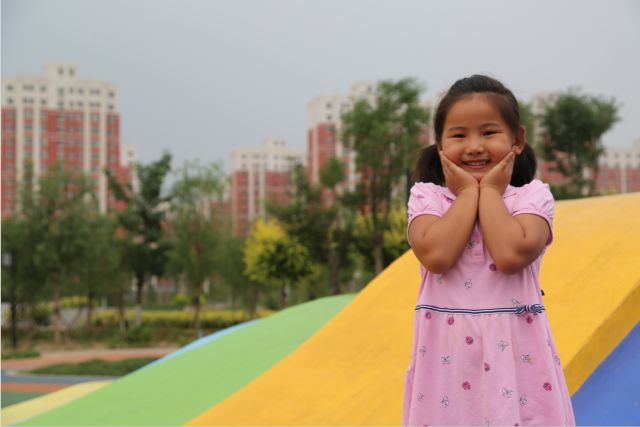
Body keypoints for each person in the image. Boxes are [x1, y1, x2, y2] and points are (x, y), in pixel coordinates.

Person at [403, 74, 575, 426]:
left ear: (518, 139)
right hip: (447, 364)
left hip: (517, 363)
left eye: (489, 132)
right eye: (459, 135)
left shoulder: (531, 197)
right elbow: (436, 256)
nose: (474, 147)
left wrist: (491, 194)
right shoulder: (427, 197)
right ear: (439, 144)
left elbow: (511, 255)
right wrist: (468, 193)